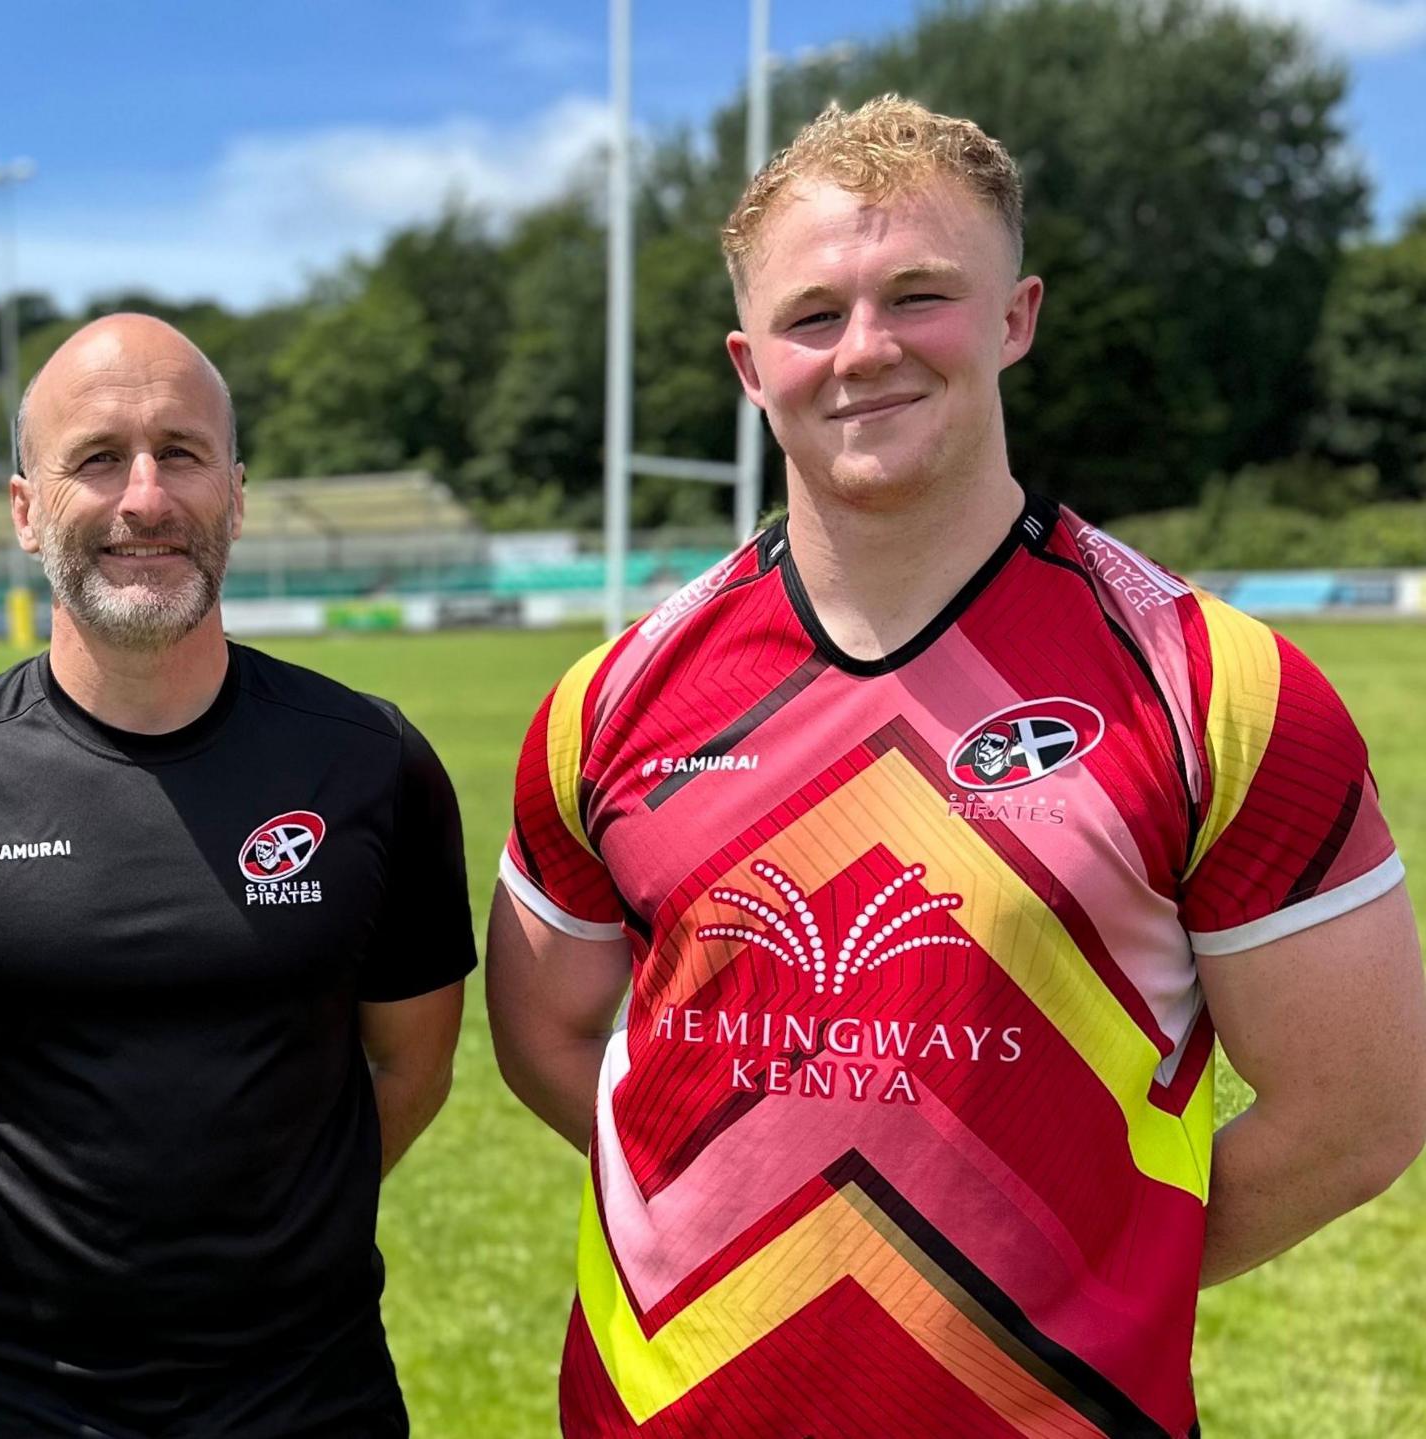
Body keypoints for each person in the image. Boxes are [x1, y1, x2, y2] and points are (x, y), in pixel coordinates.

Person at [488, 95, 1425, 1437]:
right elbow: (545, 1028)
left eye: (919, 294)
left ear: (1015, 317)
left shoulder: (1215, 687)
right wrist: (747, 1207)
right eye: (815, 315)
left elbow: (1360, 1110)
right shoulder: (613, 697)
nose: (864, 349)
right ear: (751, 366)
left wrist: (1087, 1261)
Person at [0, 313, 474, 1437]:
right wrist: (15, 1254)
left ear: (238, 494)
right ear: (24, 509)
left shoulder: (371, 762)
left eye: (183, 452)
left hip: (315, 1395)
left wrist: (274, 1248)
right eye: (98, 457)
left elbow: (411, 1065)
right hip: (20, 1401)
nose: (145, 498)